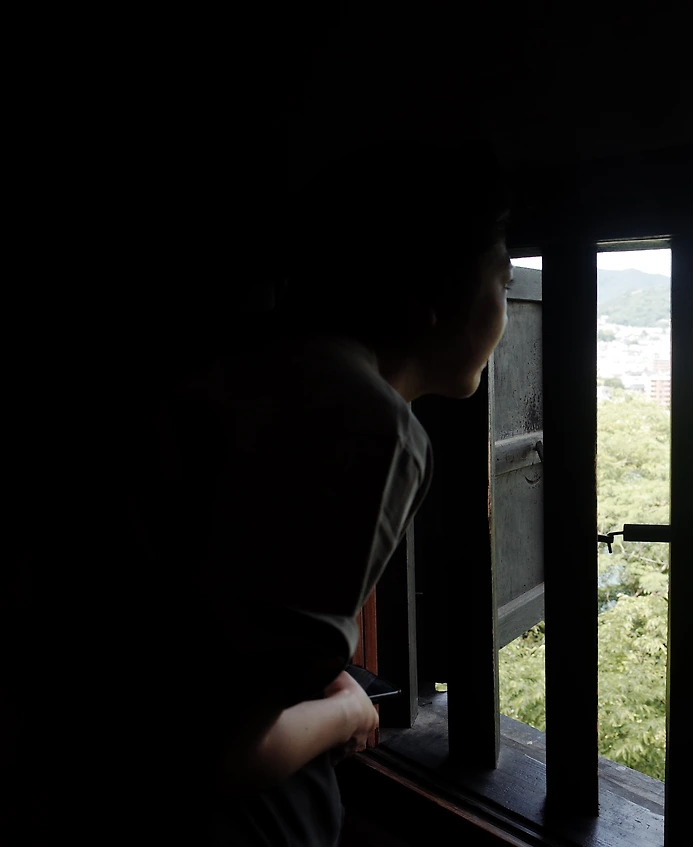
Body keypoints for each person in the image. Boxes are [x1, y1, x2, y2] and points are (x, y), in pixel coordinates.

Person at [123, 139, 512, 844]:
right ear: (432, 297)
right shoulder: (369, 426)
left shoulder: (244, 363)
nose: (505, 312)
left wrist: (318, 675)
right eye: (503, 283)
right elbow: (225, 753)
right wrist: (346, 713)